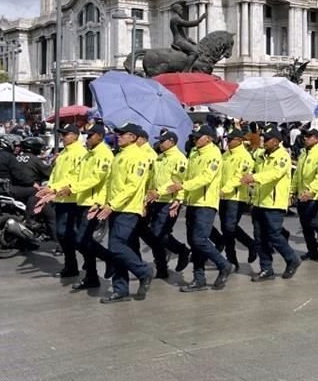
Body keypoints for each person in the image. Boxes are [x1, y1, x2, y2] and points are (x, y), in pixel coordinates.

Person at [166, 125, 233, 292]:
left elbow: (206, 177)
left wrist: (182, 186)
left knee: (199, 240)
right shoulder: (195, 153)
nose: (195, 139)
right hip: (193, 202)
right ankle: (199, 279)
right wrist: (180, 198)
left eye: (199, 136)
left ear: (209, 138)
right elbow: (188, 176)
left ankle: (223, 264)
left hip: (206, 203)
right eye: (195, 137)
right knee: (194, 242)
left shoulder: (214, 154)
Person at [94, 123, 154, 304]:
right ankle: (121, 289)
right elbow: (111, 184)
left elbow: (132, 186)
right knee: (118, 249)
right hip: (116, 208)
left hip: (128, 208)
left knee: (116, 246)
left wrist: (112, 204)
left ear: (133, 137)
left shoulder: (139, 157)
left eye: (123, 134)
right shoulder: (119, 155)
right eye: (118, 134)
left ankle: (144, 271)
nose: (118, 136)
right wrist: (102, 203)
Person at [241, 128, 299, 281]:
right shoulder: (261, 155)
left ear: (276, 141)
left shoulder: (282, 156)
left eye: (267, 139)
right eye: (263, 138)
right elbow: (251, 159)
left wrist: (254, 177)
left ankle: (292, 258)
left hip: (274, 203)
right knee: (259, 237)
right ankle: (266, 268)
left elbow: (274, 174)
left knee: (274, 234)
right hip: (260, 201)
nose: (263, 141)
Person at [66, 124, 114, 290]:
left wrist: (72, 188)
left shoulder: (105, 154)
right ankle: (92, 277)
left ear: (100, 136)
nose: (87, 138)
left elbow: (96, 178)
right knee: (84, 242)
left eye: (91, 135)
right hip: (82, 201)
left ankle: (109, 258)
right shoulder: (88, 155)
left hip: (94, 203)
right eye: (86, 135)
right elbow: (78, 176)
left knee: (82, 240)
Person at [37, 124, 88, 276]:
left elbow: (74, 177)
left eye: (65, 134)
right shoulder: (64, 153)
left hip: (72, 199)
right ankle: (71, 265)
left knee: (74, 235)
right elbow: (56, 175)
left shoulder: (80, 153)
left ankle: (87, 260)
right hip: (60, 198)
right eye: (62, 134)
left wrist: (54, 189)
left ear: (75, 135)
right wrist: (50, 188)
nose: (62, 137)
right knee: (63, 234)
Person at [142, 130, 191, 279]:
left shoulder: (179, 158)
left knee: (159, 233)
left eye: (163, 141)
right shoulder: (160, 158)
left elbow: (179, 182)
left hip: (169, 201)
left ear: (171, 141)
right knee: (148, 232)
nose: (160, 143)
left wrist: (178, 200)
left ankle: (181, 250)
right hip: (155, 200)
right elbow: (153, 179)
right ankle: (161, 266)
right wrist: (147, 196)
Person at [218, 129, 257, 270]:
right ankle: (231, 258)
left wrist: (224, 189)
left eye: (230, 139)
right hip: (223, 197)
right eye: (227, 139)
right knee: (226, 228)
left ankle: (250, 244)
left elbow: (239, 177)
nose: (227, 142)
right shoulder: (226, 154)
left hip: (236, 197)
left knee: (230, 227)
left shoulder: (245, 157)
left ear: (239, 140)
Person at [292, 129, 318, 261]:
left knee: (313, 222)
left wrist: (311, 191)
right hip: (301, 195)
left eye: (309, 136)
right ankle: (312, 251)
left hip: (313, 196)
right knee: (305, 226)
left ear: (316, 139)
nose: (305, 138)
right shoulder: (303, 154)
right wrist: (293, 190)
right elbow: (297, 174)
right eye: (305, 136)